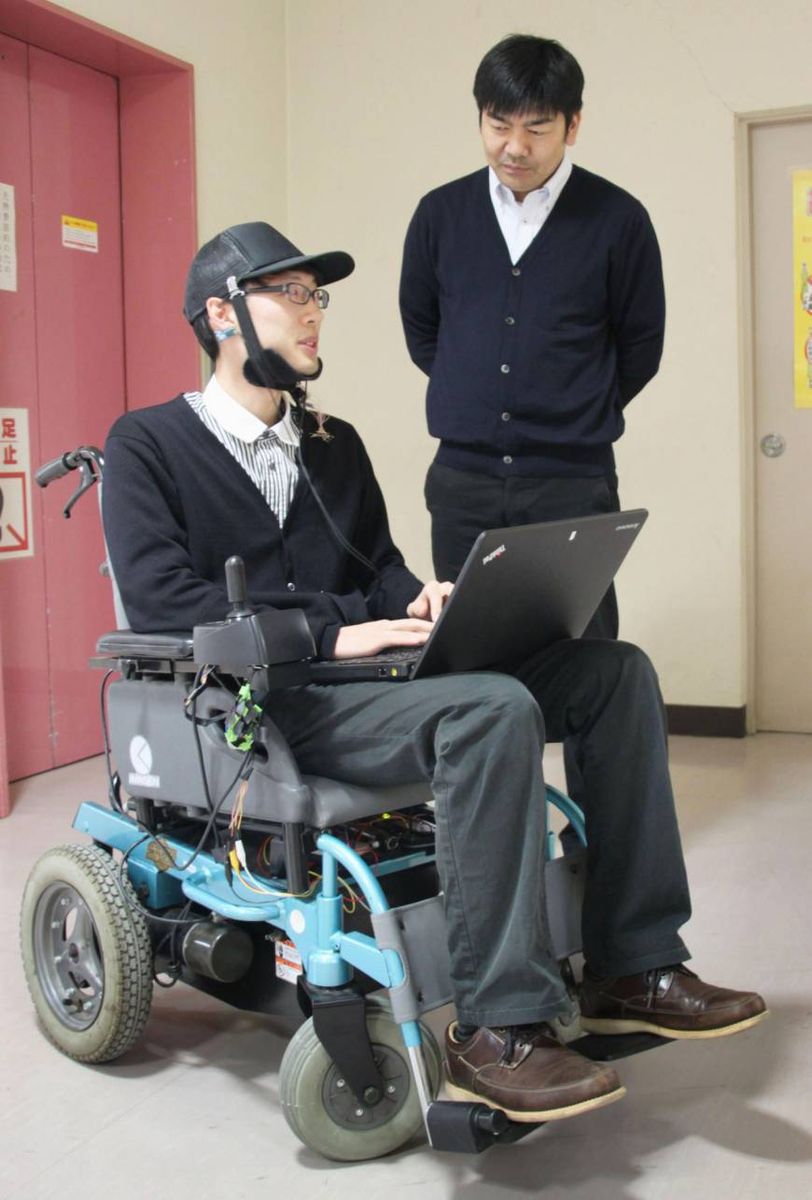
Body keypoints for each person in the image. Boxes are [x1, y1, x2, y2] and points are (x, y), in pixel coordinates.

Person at [102, 222, 765, 1127]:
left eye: (316, 297)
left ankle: (632, 963)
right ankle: (497, 1031)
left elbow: (375, 565)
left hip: (371, 682)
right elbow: (161, 603)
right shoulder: (147, 444)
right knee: (492, 710)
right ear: (222, 315)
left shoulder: (332, 443)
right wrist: (339, 633)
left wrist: (423, 601)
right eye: (289, 295)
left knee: (613, 672)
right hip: (274, 706)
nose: (313, 315)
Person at [399, 34, 666, 640]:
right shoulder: (440, 214)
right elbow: (423, 331)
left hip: (571, 479)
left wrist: (572, 403)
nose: (514, 147)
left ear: (573, 125)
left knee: (587, 647)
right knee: (466, 651)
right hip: (463, 478)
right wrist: (476, 391)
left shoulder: (618, 219)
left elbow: (641, 346)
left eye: (537, 128)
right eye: (498, 124)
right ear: (480, 118)